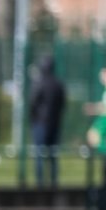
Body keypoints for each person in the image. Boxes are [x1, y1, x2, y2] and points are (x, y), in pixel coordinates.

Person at [29, 54, 66, 188]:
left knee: (40, 153)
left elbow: (33, 103)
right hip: (54, 123)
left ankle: (40, 183)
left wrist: (33, 119)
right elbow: (62, 104)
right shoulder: (58, 84)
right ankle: (54, 181)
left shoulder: (39, 83)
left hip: (40, 123)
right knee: (53, 154)